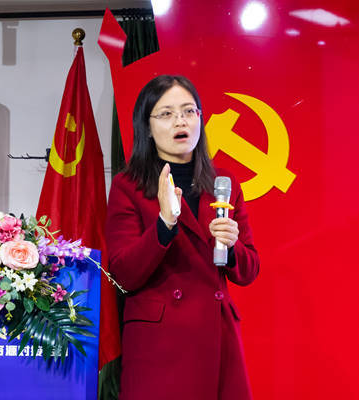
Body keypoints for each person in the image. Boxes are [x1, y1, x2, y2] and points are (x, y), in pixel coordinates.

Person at [104, 75, 260, 400]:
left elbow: (249, 270)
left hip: (217, 337)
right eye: (167, 114)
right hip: (159, 345)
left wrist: (232, 247)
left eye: (189, 111)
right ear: (147, 127)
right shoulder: (128, 186)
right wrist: (164, 224)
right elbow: (123, 273)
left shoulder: (224, 181)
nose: (181, 121)